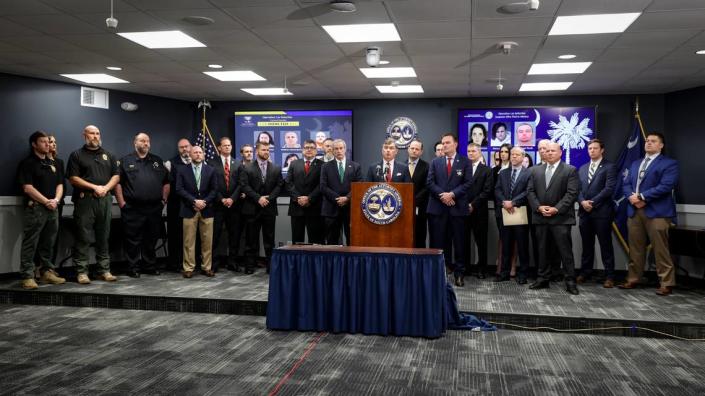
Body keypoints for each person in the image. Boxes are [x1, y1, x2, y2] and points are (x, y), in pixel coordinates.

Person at [619, 132, 679, 296]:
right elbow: (625, 184)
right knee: (635, 248)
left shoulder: (669, 163)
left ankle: (666, 283)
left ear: (661, 145)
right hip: (634, 210)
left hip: (657, 212)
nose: (648, 143)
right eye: (647, 141)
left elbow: (666, 186)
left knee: (660, 249)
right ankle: (633, 278)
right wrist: (633, 198)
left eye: (653, 141)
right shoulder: (635, 163)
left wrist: (643, 197)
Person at [66, 125, 119, 284]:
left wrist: (105, 189)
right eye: (92, 133)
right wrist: (94, 187)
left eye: (97, 133)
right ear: (85, 135)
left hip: (105, 199)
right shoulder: (76, 155)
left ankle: (104, 270)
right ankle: (82, 271)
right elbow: (73, 178)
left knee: (104, 236)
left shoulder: (108, 155)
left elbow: (116, 176)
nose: (95, 136)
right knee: (83, 236)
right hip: (85, 200)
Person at [527, 142, 580, 295]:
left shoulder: (570, 170)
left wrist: (557, 208)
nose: (549, 153)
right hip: (541, 217)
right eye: (547, 150)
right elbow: (530, 192)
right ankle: (543, 278)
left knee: (565, 251)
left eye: (552, 151)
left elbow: (571, 194)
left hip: (561, 218)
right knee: (542, 250)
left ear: (560, 152)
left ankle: (570, 281)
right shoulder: (535, 170)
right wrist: (538, 207)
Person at [115, 133, 169, 278]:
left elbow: (166, 182)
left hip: (154, 208)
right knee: (132, 240)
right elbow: (117, 184)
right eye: (142, 141)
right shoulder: (125, 161)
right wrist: (122, 203)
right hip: (132, 208)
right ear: (135, 143)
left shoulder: (157, 161)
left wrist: (163, 200)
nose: (146, 143)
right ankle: (133, 267)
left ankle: (149, 266)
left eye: (148, 141)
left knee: (151, 239)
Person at [16, 131, 66, 289]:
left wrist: (56, 200)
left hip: (53, 208)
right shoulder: (28, 163)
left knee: (48, 242)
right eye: (43, 142)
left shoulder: (52, 163)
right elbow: (27, 188)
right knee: (31, 242)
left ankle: (46, 272)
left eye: (48, 141)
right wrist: (46, 201)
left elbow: (60, 184)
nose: (47, 144)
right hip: (37, 208)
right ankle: (27, 276)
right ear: (34, 144)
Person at [427, 133, 473, 287]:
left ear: (455, 144)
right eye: (443, 143)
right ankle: (440, 273)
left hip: (457, 209)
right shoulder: (435, 162)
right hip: (438, 209)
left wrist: (452, 194)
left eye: (447, 143)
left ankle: (459, 274)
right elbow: (430, 182)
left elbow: (467, 183)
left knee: (459, 243)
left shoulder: (465, 162)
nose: (444, 145)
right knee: (439, 243)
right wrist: (443, 196)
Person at [577, 139, 616, 287]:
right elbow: (577, 189)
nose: (591, 151)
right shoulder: (582, 168)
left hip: (601, 212)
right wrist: (582, 202)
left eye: (595, 148)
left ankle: (610, 276)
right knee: (587, 246)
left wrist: (592, 203)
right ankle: (585, 272)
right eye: (589, 148)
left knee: (605, 246)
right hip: (584, 213)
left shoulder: (610, 167)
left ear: (602, 150)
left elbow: (609, 189)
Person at [239, 141, 283, 273]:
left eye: (268, 150)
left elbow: (280, 185)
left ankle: (271, 267)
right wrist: (258, 198)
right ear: (257, 151)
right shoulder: (247, 168)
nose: (266, 152)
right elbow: (244, 186)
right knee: (251, 240)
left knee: (269, 240)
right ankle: (250, 267)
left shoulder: (275, 168)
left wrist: (268, 198)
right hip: (252, 208)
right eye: (264, 150)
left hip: (269, 208)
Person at [176, 145, 217, 278]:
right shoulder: (182, 170)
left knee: (207, 241)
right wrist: (194, 201)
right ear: (191, 155)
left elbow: (214, 190)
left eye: (200, 152)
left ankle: (207, 267)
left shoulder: (210, 170)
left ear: (203, 155)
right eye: (195, 152)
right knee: (188, 241)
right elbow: (179, 189)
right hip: (189, 209)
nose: (198, 154)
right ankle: (188, 268)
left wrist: (204, 202)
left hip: (207, 209)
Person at [494, 146, 531, 284]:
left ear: (522, 157)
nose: (514, 157)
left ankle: (523, 274)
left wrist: (513, 202)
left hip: (520, 212)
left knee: (522, 245)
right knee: (506, 244)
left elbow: (528, 191)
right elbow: (497, 189)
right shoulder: (503, 173)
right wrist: (505, 202)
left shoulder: (528, 173)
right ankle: (504, 272)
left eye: (517, 155)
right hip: (505, 212)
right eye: (512, 154)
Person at [321, 139, 362, 245]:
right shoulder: (325, 167)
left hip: (350, 209)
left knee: (352, 240)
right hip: (331, 209)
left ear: (345, 150)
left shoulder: (355, 166)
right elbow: (323, 187)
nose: (339, 151)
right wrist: (338, 199)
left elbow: (359, 186)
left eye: (341, 148)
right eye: (336, 149)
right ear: (332, 151)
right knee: (332, 242)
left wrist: (347, 198)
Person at [211, 137, 243, 272]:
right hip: (218, 205)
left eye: (229, 145)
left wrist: (232, 199)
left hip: (234, 206)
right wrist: (221, 199)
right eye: (225, 145)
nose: (228, 147)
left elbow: (242, 184)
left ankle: (232, 262)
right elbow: (211, 184)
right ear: (219, 147)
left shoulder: (238, 164)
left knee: (234, 235)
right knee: (216, 235)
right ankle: (214, 263)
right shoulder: (212, 163)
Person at [286, 139, 324, 244]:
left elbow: (321, 185)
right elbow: (288, 183)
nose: (309, 150)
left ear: (316, 151)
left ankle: (315, 261)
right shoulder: (294, 164)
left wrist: (309, 198)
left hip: (314, 207)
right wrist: (298, 198)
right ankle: (298, 261)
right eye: (307, 147)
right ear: (302, 150)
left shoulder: (323, 165)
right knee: (297, 240)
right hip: (296, 207)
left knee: (316, 240)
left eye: (312, 148)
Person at [465, 143, 492, 279]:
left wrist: (473, 204)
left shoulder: (487, 170)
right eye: (469, 151)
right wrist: (465, 204)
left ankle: (482, 269)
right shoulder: (463, 168)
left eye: (473, 151)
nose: (471, 153)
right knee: (464, 241)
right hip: (463, 210)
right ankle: (466, 267)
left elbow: (487, 191)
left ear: (480, 152)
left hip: (479, 211)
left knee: (481, 242)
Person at [165, 138, 192, 272]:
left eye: (186, 146)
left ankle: (192, 262)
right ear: (178, 149)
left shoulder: (197, 160)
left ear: (191, 147)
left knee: (191, 236)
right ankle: (175, 263)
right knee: (176, 235)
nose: (184, 149)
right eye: (181, 147)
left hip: (192, 205)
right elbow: (166, 184)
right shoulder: (171, 163)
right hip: (175, 205)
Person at [491, 143, 512, 275]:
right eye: (501, 151)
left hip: (513, 208)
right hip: (499, 207)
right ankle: (501, 267)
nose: (503, 154)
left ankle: (512, 267)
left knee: (512, 240)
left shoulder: (514, 168)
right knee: (502, 238)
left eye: (506, 151)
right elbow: (494, 189)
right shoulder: (495, 170)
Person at [407, 139, 429, 248]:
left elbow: (427, 187)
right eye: (412, 148)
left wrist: (414, 200)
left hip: (420, 207)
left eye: (417, 149)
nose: (414, 151)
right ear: (408, 149)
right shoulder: (400, 165)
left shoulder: (426, 166)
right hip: (404, 207)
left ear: (421, 152)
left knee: (420, 235)